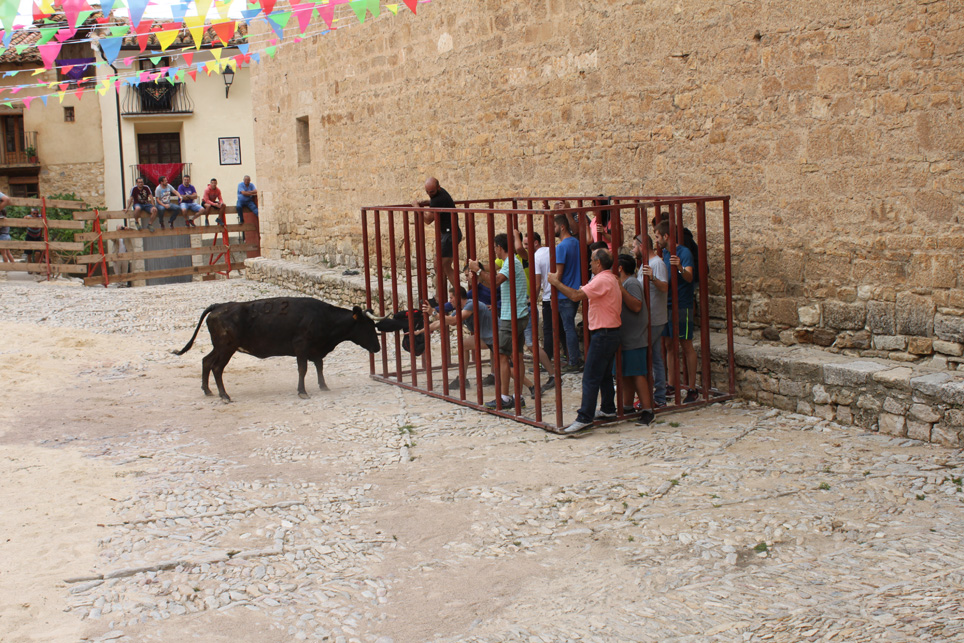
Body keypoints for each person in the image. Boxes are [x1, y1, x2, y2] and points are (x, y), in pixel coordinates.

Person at [549, 248, 622, 434]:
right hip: (611, 332)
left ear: (598, 263)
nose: (589, 263)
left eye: (591, 260)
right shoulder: (610, 278)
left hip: (603, 333)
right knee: (604, 375)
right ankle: (608, 408)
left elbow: (575, 295)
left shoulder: (602, 280)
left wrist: (556, 282)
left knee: (590, 377)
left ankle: (585, 417)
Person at [468, 233, 532, 410]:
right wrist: (479, 270)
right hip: (518, 315)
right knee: (517, 356)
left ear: (500, 247)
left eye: (495, 247)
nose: (494, 251)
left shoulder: (510, 263)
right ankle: (517, 396)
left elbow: (495, 281)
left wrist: (478, 271)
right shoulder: (511, 262)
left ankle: (504, 398)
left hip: (511, 317)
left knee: (503, 356)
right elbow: (493, 278)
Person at [418, 286, 496, 389]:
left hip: (496, 336)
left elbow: (454, 320)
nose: (450, 301)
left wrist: (433, 312)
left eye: (451, 298)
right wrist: (419, 331)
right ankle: (463, 379)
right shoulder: (461, 309)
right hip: (487, 336)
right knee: (464, 345)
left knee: (508, 366)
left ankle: (464, 379)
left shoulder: (471, 304)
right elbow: (442, 322)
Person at [655, 220, 698, 403]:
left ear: (666, 236)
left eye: (658, 236)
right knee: (669, 344)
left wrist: (679, 268)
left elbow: (689, 277)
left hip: (682, 304)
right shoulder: (664, 253)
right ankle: (672, 385)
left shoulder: (684, 253)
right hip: (667, 304)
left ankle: (692, 388)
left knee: (686, 344)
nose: (656, 240)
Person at [615, 254, 654, 425]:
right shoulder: (626, 283)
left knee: (638, 374)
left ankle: (647, 410)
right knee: (627, 374)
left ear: (620, 268)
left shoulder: (631, 283)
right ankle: (628, 406)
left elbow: (637, 306)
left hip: (635, 338)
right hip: (626, 337)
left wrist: (620, 289)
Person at [414, 177, 461, 304]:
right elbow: (435, 203)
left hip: (449, 236)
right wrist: (428, 202)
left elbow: (427, 220)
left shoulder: (438, 199)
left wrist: (417, 207)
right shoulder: (439, 194)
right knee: (443, 266)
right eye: (427, 192)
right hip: (450, 234)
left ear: (438, 188)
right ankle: (445, 297)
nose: (430, 194)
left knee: (439, 265)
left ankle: (447, 297)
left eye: (432, 192)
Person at [635, 233, 668, 408]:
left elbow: (665, 287)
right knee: (655, 357)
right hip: (649, 318)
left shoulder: (657, 264)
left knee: (647, 357)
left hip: (654, 319)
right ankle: (658, 396)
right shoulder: (645, 264)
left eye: (635, 246)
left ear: (642, 246)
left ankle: (652, 397)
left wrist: (653, 278)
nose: (633, 249)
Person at [553, 213, 583, 372]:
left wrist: (551, 279)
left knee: (568, 328)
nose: (552, 229)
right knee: (569, 327)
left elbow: (558, 275)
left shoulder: (561, 247)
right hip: (575, 290)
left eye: (554, 226)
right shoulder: (576, 242)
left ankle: (573, 361)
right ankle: (575, 358)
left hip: (564, 293)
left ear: (562, 227)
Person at [0, 192, 14, 264]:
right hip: (7, 236)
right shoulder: (6, 219)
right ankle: (13, 264)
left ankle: (6, 266)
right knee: (8, 252)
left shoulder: (1, 220)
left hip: (2, 236)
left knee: (3, 253)